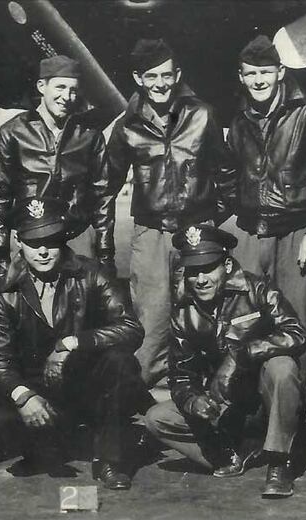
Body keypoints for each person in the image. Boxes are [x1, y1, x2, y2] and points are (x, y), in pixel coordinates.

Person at [224, 35, 306, 450]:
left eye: (265, 73)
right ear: (241, 77)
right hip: (252, 229)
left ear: (280, 73)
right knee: (248, 320)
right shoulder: (239, 121)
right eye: (250, 74)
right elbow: (229, 172)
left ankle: (305, 413)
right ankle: (255, 409)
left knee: (301, 323)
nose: (258, 81)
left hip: (297, 232)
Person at [0, 197, 149, 490]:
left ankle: (110, 459)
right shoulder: (6, 291)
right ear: (19, 244)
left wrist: (72, 342)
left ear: (64, 239)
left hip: (83, 381)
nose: (44, 250)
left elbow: (130, 328)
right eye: (34, 242)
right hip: (38, 387)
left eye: (51, 240)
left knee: (121, 361)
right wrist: (23, 396)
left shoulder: (92, 273)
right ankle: (45, 449)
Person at [145, 225, 306, 498]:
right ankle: (233, 453)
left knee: (282, 367)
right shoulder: (183, 313)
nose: (201, 279)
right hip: (227, 408)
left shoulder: (257, 289)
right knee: (157, 419)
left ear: (227, 265)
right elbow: (181, 376)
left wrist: (240, 355)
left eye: (208, 268)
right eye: (193, 271)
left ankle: (280, 463)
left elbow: (296, 334)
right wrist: (193, 400)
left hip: (267, 402)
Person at [106, 38, 232, 386]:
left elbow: (226, 173)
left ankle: (205, 390)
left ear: (177, 75)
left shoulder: (202, 114)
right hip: (151, 232)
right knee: (152, 316)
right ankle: (151, 399)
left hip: (197, 230)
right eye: (151, 76)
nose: (160, 84)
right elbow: (107, 184)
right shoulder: (127, 125)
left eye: (166, 75)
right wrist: (103, 240)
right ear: (137, 78)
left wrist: (208, 220)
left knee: (203, 308)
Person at [0, 55, 114, 279]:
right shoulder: (13, 133)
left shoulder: (89, 135)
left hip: (77, 236)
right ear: (41, 86)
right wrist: (0, 254)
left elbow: (102, 195)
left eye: (73, 90)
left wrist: (105, 253)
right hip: (33, 236)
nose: (67, 96)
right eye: (60, 87)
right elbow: (0, 195)